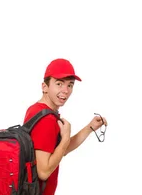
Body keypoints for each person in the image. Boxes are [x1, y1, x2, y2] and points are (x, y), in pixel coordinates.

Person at [23, 58, 108, 195]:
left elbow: (59, 151)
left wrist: (89, 128)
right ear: (45, 87)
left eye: (70, 85)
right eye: (59, 83)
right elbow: (43, 172)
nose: (66, 90)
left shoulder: (34, 110)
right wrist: (65, 138)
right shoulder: (47, 119)